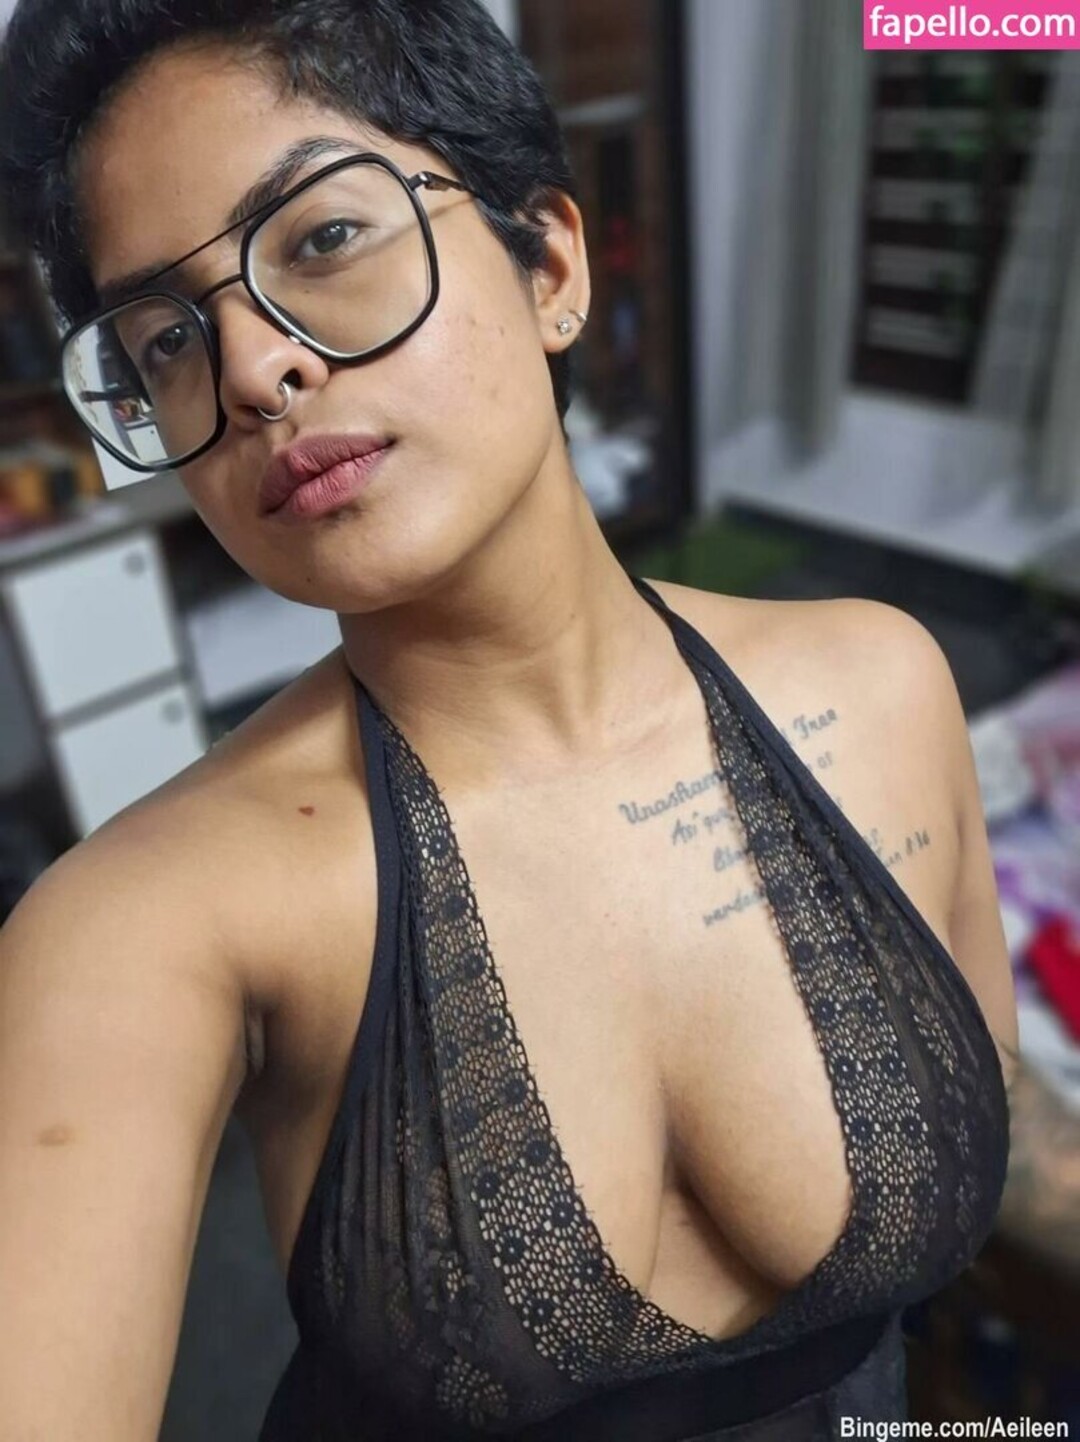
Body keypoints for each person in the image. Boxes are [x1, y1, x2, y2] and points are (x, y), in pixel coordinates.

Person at [0, 2, 1019, 1438]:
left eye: (322, 237)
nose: (250, 372)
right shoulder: (141, 923)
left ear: (549, 264)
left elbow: (1001, 1134)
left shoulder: (881, 684)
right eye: (166, 337)